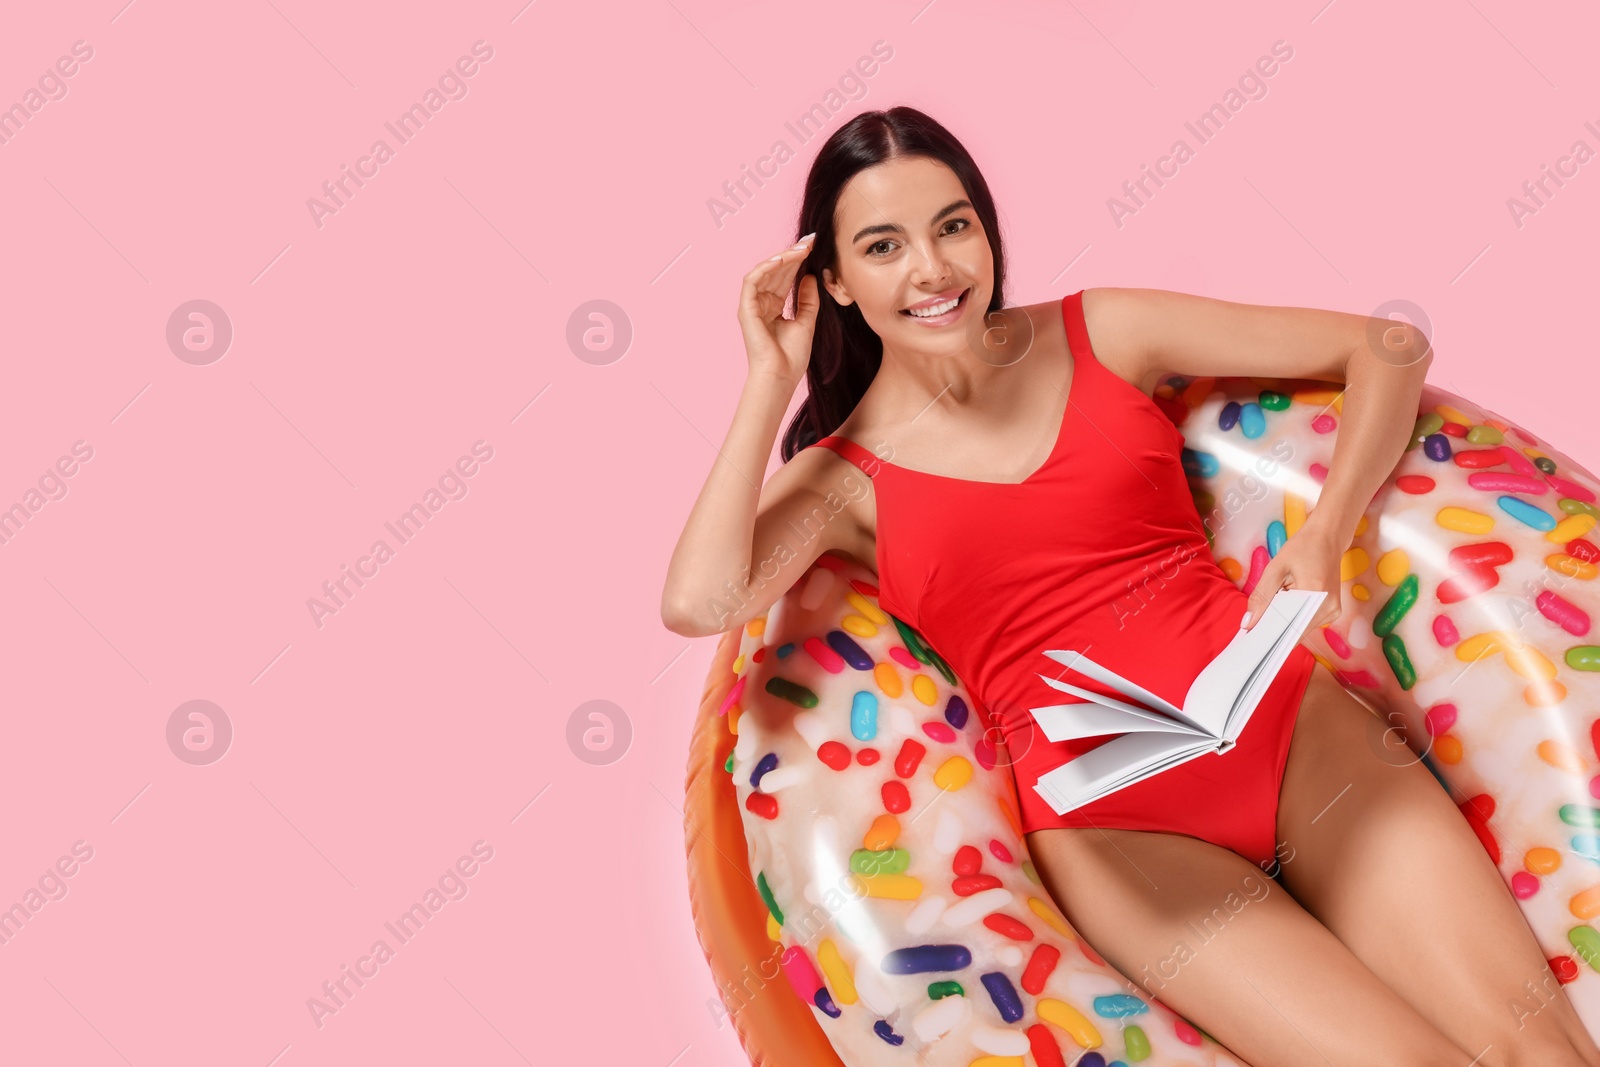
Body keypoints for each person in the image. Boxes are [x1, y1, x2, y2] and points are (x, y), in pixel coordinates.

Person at [659, 106, 1600, 1067]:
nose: (932, 270)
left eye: (953, 225)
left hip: (1289, 733)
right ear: (837, 285)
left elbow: (1389, 348)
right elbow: (697, 603)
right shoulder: (844, 475)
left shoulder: (1102, 331)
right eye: (883, 246)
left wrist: (1325, 534)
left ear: (986, 230)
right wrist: (770, 378)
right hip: (1119, 830)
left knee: (1547, 1053)